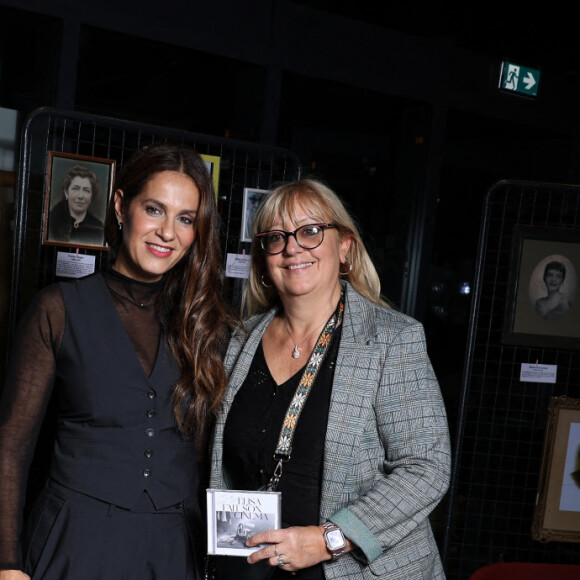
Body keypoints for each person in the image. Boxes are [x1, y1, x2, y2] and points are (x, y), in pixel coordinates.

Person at [0, 143, 236, 579]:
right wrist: (7, 564)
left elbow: (211, 455)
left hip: (170, 549)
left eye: (185, 219)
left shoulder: (207, 326)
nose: (168, 232)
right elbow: (11, 448)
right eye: (154, 209)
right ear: (121, 205)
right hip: (76, 541)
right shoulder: (58, 309)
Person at [209, 179, 451, 579]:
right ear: (264, 258)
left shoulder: (391, 339)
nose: (292, 247)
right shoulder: (241, 340)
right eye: (276, 237)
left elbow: (427, 468)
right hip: (254, 569)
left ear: (344, 247)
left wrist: (327, 540)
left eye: (310, 232)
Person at [48, 164, 105, 246]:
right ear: (66, 193)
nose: (80, 196)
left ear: (91, 197)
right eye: (75, 188)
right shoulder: (51, 222)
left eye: (86, 190)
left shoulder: (98, 227)